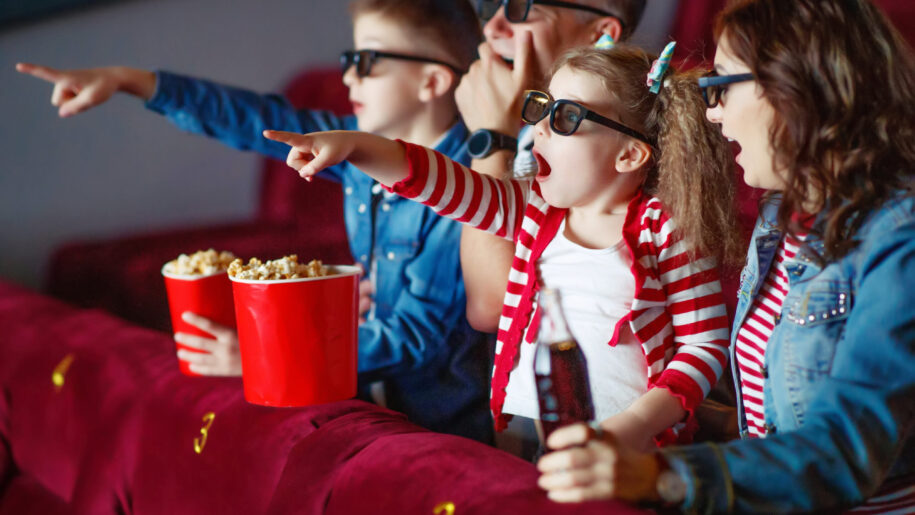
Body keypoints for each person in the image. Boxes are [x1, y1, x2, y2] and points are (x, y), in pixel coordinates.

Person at [16, 0, 495, 443]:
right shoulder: (356, 152)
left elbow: (419, 335)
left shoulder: (464, 189)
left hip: (450, 425)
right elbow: (254, 120)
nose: (348, 78)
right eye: (348, 59)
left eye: (366, 63)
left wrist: (266, 359)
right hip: (375, 398)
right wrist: (135, 81)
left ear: (432, 82)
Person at [264, 42, 741, 459]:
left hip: (635, 448)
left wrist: (636, 425)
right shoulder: (533, 212)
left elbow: (704, 345)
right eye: (542, 108)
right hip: (528, 431)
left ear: (629, 155)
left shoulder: (667, 228)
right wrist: (353, 146)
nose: (540, 130)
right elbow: (438, 182)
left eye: (567, 117)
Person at [535, 0, 915, 511]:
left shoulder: (900, 236)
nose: (712, 112)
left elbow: (841, 451)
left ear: (794, 88)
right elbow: (776, 412)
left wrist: (659, 473)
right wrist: (663, 419)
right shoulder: (784, 212)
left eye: (722, 87)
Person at [455, 0, 648, 333]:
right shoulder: (532, 129)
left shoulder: (614, 145)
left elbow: (494, 308)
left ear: (600, 33)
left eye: (520, 9)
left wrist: (491, 136)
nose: (491, 28)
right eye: (491, 5)